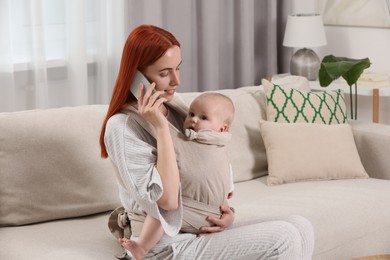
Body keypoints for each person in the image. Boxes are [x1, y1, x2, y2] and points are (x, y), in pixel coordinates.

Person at [100, 24, 314, 259]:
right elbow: (168, 201)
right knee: (285, 237)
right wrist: (161, 129)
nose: (176, 81)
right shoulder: (122, 127)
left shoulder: (176, 106)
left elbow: (204, 165)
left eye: (178, 69)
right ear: (136, 76)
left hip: (197, 229)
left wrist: (225, 212)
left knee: (301, 226)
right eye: (164, 73)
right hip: (163, 244)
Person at [118, 92, 236, 259]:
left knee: (162, 209)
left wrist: (226, 203)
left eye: (203, 117)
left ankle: (142, 247)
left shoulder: (209, 143)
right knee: (166, 204)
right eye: (192, 114)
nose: (194, 119)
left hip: (209, 214)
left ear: (222, 128)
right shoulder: (215, 142)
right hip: (213, 214)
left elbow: (223, 174)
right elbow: (224, 175)